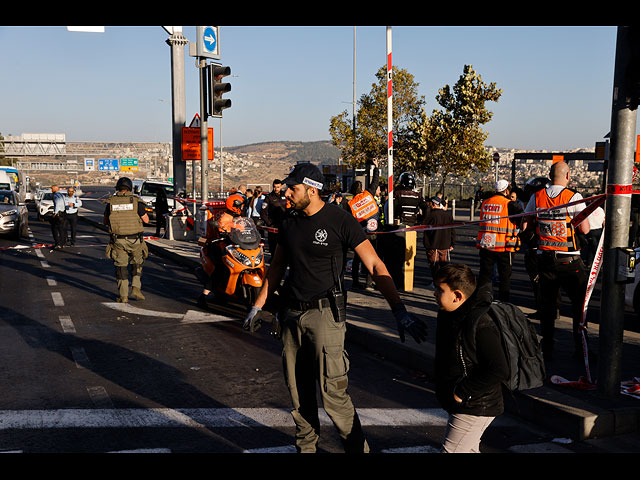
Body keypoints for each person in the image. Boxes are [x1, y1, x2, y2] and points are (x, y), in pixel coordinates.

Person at [242, 162, 427, 454]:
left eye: (294, 188)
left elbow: (375, 264)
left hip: (325, 316)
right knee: (298, 393)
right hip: (291, 315)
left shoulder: (340, 220)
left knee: (333, 395)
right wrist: (258, 305)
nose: (288, 193)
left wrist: (399, 311)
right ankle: (306, 448)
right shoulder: (289, 221)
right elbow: (277, 267)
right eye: (288, 187)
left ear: (313, 190)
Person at [433, 263, 509, 453]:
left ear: (458, 296)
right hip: (467, 401)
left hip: (475, 404)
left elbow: (498, 368)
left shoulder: (479, 324)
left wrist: (461, 392)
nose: (434, 294)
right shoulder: (450, 315)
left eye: (440, 290)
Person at [522, 161, 591, 362]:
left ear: (550, 176)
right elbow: (585, 230)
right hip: (570, 261)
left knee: (548, 306)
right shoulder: (573, 197)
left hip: (545, 259)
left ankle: (548, 348)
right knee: (579, 306)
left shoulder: (537, 197)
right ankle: (581, 348)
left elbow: (525, 222)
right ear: (568, 176)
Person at [103, 177, 149, 303]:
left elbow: (105, 222)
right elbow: (146, 220)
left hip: (119, 241)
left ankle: (123, 296)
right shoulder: (136, 202)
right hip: (136, 240)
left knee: (121, 268)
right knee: (137, 264)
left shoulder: (111, 203)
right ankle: (136, 288)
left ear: (118, 188)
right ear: (130, 188)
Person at [197, 193, 247, 308]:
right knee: (219, 269)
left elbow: (244, 230)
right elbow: (222, 232)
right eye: (241, 206)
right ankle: (203, 296)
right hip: (220, 246)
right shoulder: (224, 218)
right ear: (235, 206)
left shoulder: (238, 217)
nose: (242, 208)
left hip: (235, 246)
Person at [476, 179, 520, 302]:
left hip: (486, 244)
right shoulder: (509, 204)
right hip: (504, 246)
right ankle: (503, 303)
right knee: (504, 277)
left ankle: (482, 300)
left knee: (485, 275)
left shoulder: (485, 203)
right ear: (506, 191)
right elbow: (523, 218)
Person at [346, 158, 380, 290]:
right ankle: (368, 283)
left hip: (359, 234)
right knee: (372, 258)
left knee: (357, 259)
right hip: (373, 232)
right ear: (361, 189)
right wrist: (376, 167)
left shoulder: (350, 204)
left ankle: (355, 281)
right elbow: (375, 182)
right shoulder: (368, 194)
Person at [422, 196, 455, 287]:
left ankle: (436, 282)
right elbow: (452, 230)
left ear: (433, 204)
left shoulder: (430, 216)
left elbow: (426, 231)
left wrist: (427, 245)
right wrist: (452, 243)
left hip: (433, 245)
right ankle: (443, 282)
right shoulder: (448, 216)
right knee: (444, 265)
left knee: (434, 266)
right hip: (445, 245)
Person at [260, 179, 288, 257]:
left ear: (281, 186)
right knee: (273, 245)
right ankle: (273, 260)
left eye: (278, 187)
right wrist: (269, 224)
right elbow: (263, 213)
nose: (276, 189)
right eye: (275, 187)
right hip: (273, 225)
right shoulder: (269, 197)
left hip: (284, 224)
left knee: (285, 244)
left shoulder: (285, 195)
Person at [49, 185, 67, 250]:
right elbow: (66, 203)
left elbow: (57, 204)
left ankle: (57, 244)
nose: (51, 190)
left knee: (54, 229)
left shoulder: (56, 196)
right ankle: (63, 243)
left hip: (58, 214)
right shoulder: (62, 195)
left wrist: (55, 213)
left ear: (55, 189)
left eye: (52, 189)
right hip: (63, 213)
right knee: (62, 230)